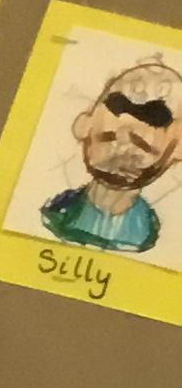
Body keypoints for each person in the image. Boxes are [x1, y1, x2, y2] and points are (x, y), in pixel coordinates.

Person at [40, 54, 182, 255]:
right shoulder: (55, 213)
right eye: (108, 138)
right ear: (84, 126)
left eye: (141, 148)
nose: (121, 149)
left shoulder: (145, 236)